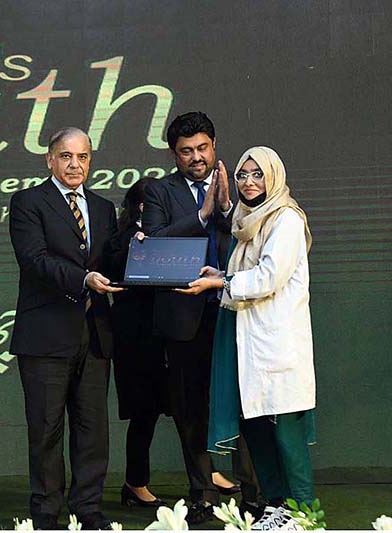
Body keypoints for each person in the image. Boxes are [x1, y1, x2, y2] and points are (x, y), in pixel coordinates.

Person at [179, 146, 316, 528]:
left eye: (258, 174)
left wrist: (222, 280)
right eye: (243, 175)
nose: (250, 182)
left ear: (274, 176)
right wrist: (220, 274)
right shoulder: (245, 219)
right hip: (245, 340)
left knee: (286, 431)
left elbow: (269, 276)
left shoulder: (285, 219)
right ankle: (275, 506)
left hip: (277, 342)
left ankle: (304, 512)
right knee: (254, 427)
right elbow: (244, 274)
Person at [142, 111, 259, 523]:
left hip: (236, 311)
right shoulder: (159, 191)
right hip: (183, 317)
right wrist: (203, 215)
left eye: (203, 148)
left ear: (214, 145)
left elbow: (257, 237)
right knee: (190, 409)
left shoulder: (244, 184)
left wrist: (227, 210)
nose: (196, 157)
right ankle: (202, 493)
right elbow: (152, 247)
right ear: (174, 154)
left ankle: (253, 494)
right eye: (186, 151)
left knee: (245, 405)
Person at [9, 127, 121, 530]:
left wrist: (142, 249)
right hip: (44, 336)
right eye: (66, 156)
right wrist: (84, 279)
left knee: (93, 430)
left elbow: (115, 261)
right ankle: (45, 513)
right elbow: (34, 260)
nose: (76, 165)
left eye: (83, 157)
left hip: (95, 334)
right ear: (50, 159)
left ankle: (88, 509)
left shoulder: (105, 208)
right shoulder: (27, 202)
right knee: (46, 430)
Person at [109, 178, 169, 508]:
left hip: (172, 333)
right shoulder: (122, 238)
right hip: (137, 340)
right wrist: (138, 247)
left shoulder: (173, 231)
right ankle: (136, 483)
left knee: (190, 410)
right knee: (144, 413)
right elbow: (113, 268)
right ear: (143, 207)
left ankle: (207, 476)